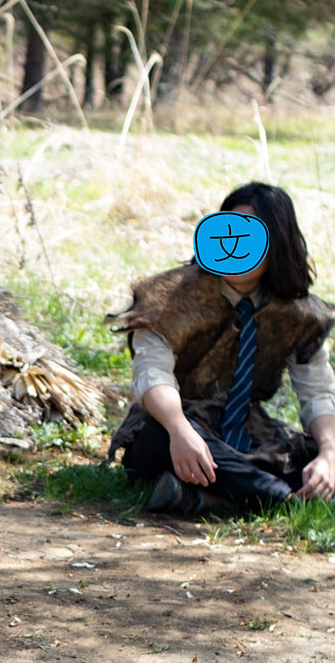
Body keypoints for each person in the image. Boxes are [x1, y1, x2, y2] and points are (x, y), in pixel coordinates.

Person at [105, 182, 335, 515]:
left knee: (320, 454)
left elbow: (317, 393)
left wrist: (328, 454)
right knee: (157, 437)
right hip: (173, 427)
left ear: (278, 245)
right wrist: (179, 430)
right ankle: (282, 500)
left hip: (247, 432)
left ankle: (207, 498)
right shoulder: (167, 298)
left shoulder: (299, 314)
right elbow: (150, 372)